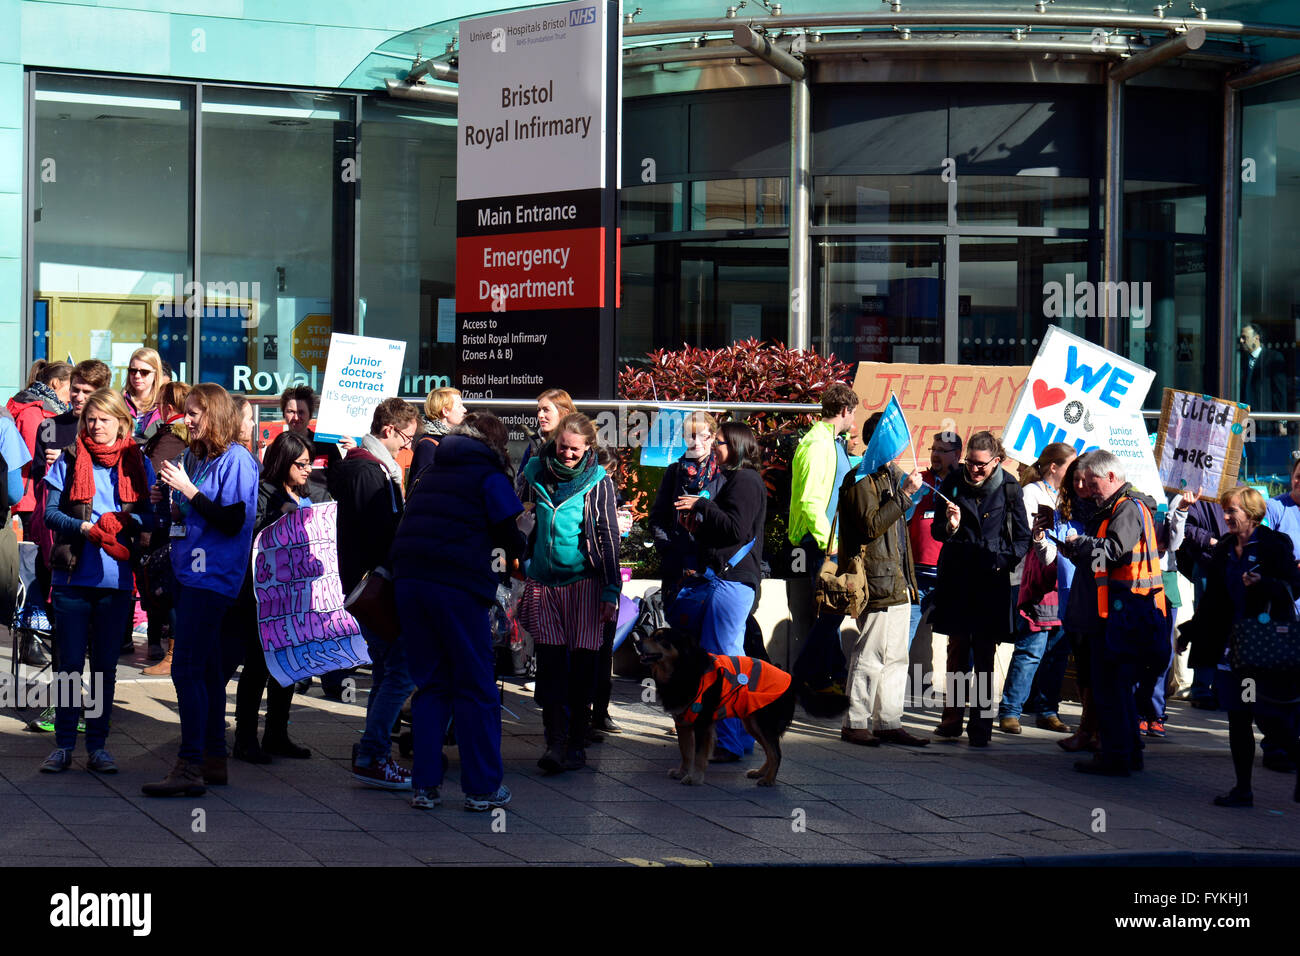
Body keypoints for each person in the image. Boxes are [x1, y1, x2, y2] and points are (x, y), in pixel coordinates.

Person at [391, 412, 523, 811]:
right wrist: (523, 543)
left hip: (411, 583)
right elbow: (508, 537)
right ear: (495, 446)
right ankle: (482, 789)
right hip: (458, 587)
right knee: (476, 686)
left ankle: (425, 787)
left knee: (431, 685)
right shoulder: (488, 475)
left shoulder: (430, 472)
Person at [142, 384, 260, 797]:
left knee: (186, 668)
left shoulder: (238, 460)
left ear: (218, 415)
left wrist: (189, 491)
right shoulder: (196, 456)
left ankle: (189, 765)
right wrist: (169, 498)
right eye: (186, 412)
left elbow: (231, 520)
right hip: (188, 573)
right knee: (207, 671)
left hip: (213, 579)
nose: (187, 420)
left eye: (195, 413)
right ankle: (212, 758)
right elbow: (191, 514)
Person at [37, 389, 155, 774]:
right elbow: (50, 514)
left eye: (104, 419)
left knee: (104, 668)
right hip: (72, 578)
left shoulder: (137, 462)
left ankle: (99, 745)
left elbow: (152, 519)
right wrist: (84, 526)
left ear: (122, 422)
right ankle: (65, 745)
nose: (95, 426)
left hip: (116, 581)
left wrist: (129, 522)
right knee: (69, 665)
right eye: (90, 419)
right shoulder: (70, 459)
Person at [1180, 486, 1300, 807]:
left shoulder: (1274, 545)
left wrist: (1267, 584)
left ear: (1252, 513)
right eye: (1225, 510)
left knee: (1270, 718)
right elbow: (1214, 599)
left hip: (1263, 649)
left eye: (1232, 511)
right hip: (1232, 650)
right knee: (1238, 716)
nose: (1226, 517)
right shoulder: (1225, 549)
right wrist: (1190, 633)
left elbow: (1295, 586)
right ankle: (1243, 789)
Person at [519, 412, 621, 773]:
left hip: (585, 585)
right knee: (549, 666)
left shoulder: (599, 482)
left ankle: (576, 743)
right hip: (544, 582)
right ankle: (554, 742)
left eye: (575, 449)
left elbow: (609, 536)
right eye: (562, 447)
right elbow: (518, 514)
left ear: (588, 447)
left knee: (580, 667)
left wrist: (612, 589)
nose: (567, 454)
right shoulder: (534, 472)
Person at [1056, 450, 1168, 776]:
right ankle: (1127, 753)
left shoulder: (1126, 508)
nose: (1089, 490)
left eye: (1093, 484)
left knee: (1112, 688)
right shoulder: (1117, 507)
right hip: (1123, 612)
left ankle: (1116, 756)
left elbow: (1115, 552)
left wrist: (1081, 544)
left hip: (1126, 613)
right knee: (1115, 688)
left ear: (1110, 477)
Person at [331, 397, 421, 789]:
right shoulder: (371, 471)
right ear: (389, 430)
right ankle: (372, 752)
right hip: (376, 584)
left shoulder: (361, 465)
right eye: (406, 438)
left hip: (365, 583)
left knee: (387, 670)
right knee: (399, 671)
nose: (408, 446)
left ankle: (374, 752)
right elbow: (378, 532)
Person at [225, 431, 326, 764]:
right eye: (301, 464)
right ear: (284, 462)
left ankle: (277, 734)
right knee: (257, 666)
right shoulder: (261, 492)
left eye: (310, 463)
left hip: (295, 595)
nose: (307, 470)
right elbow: (250, 535)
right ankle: (245, 738)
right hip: (262, 595)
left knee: (288, 665)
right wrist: (280, 515)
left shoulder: (304, 493)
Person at [673, 421, 767, 763]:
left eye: (723, 443)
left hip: (731, 582)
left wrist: (701, 505)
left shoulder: (744, 480)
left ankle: (727, 742)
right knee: (731, 661)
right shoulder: (740, 479)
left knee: (721, 663)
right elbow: (727, 531)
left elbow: (735, 528)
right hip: (732, 580)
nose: (716, 448)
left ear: (740, 446)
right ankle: (739, 739)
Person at [930, 431, 1031, 747]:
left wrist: (1001, 559)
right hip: (958, 575)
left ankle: (982, 726)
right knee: (957, 650)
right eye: (970, 462)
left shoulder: (1010, 488)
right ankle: (951, 720)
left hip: (991, 578)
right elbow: (937, 531)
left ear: (996, 461)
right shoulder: (954, 481)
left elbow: (1023, 539)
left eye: (981, 465)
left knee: (986, 653)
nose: (973, 469)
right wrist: (951, 526)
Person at [836, 412, 927, 746]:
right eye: (894, 443)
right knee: (870, 653)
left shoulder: (890, 476)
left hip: (898, 578)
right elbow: (870, 526)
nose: (899, 450)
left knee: (896, 655)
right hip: (875, 578)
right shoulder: (861, 479)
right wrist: (904, 496)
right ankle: (855, 720)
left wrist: (907, 494)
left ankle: (888, 720)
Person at [787, 383, 859, 701]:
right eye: (853, 413)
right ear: (844, 411)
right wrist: (827, 543)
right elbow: (811, 500)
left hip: (828, 541)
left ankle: (832, 674)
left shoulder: (830, 442)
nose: (854, 420)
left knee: (831, 612)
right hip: (821, 543)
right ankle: (809, 676)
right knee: (833, 612)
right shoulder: (818, 445)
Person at [997, 443, 1076, 735]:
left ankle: (1046, 709)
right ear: (1053, 467)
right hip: (1036, 580)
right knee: (1031, 648)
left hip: (1064, 581)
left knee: (1057, 650)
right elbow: (1033, 537)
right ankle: (1011, 710)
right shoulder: (1031, 492)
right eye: (1070, 465)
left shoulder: (1070, 496)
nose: (1075, 472)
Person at [1031, 459, 1098, 752]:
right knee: (1082, 667)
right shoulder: (1061, 513)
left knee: (1097, 668)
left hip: (1099, 599)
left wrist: (1081, 543)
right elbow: (1048, 558)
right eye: (1076, 481)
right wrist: (1040, 537)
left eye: (1086, 481)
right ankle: (1087, 728)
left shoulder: (1104, 512)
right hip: (1071, 598)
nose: (1081, 487)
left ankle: (1098, 730)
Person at [649, 410, 726, 604]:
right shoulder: (674, 472)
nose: (697, 442)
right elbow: (658, 516)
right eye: (691, 435)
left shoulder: (723, 474)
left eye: (703, 436)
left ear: (713, 438)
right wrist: (667, 549)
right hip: (678, 564)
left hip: (711, 564)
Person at [1258, 452, 1300, 772]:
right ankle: (1275, 745)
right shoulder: (1276, 508)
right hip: (1282, 615)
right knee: (1279, 685)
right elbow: (1261, 550)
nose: (1298, 481)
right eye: (1297, 475)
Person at [907, 431, 962, 653]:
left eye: (942, 450)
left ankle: (960, 687)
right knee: (904, 634)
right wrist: (907, 492)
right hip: (917, 574)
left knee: (958, 637)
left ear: (957, 454)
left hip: (952, 573)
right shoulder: (918, 480)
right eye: (933, 449)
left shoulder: (966, 483)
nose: (935, 455)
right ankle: (894, 685)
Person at [7, 360, 72, 534]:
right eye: (71, 387)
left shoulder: (42, 409)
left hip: (34, 494)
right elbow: (32, 456)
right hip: (30, 497)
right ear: (55, 383)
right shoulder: (34, 413)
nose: (73, 395)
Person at [1176, 496, 1229, 709]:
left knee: (1229, 629)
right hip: (1209, 565)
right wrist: (1211, 541)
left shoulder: (1243, 493)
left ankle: (1224, 689)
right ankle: (1201, 688)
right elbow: (1187, 529)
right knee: (1207, 625)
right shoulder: (1203, 498)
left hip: (1233, 565)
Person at [280, 384, 353, 499]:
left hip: (320, 510)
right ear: (283, 413)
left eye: (301, 412)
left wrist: (353, 454)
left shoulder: (326, 446)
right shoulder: (276, 448)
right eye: (291, 411)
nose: (296, 417)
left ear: (310, 415)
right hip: (288, 511)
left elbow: (341, 479)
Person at [516, 387, 577, 495]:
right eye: (539, 410)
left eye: (546, 410)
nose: (540, 415)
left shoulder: (579, 445)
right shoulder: (534, 445)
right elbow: (520, 482)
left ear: (565, 413)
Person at [410, 386, 466, 483]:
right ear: (445, 411)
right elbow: (425, 486)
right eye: (460, 406)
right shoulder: (427, 446)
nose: (464, 410)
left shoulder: (453, 440)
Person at [1238, 323, 1288, 426]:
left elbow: (1279, 393)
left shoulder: (1273, 358)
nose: (1241, 341)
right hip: (1244, 423)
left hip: (1264, 423)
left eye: (1244, 337)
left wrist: (1282, 422)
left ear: (1256, 338)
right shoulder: (1240, 361)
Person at [122, 347, 165, 443]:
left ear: (156, 374)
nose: (137, 376)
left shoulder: (164, 406)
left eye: (144, 372)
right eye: (133, 371)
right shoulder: (119, 403)